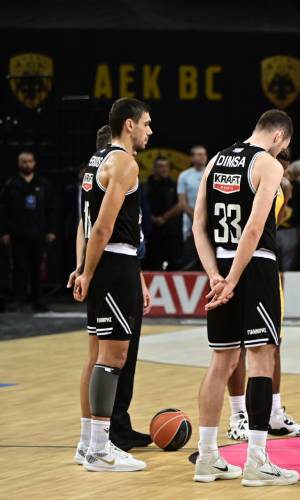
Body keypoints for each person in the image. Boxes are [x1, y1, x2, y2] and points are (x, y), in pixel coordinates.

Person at [191, 110, 300, 486]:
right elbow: (254, 228)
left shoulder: (215, 162)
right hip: (254, 268)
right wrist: (234, 279)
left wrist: (215, 276)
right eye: (284, 145)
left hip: (220, 265)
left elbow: (198, 225)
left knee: (220, 361)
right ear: (279, 137)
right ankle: (257, 460)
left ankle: (207, 456)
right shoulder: (268, 165)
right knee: (260, 359)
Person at [70, 97, 152, 472]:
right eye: (146, 123)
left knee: (95, 356)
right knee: (113, 358)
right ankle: (102, 449)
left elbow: (85, 225)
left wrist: (83, 268)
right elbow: (102, 227)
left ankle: (87, 443)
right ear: (129, 125)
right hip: (115, 263)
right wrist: (87, 272)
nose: (150, 131)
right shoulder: (124, 162)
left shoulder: (95, 160)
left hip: (103, 263)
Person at [224, 147, 300, 442]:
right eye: (279, 164)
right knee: (235, 346)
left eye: (284, 165)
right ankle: (238, 416)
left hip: (265, 267)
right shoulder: (247, 179)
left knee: (273, 343)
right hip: (238, 262)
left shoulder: (282, 186)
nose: (281, 170)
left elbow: (274, 221)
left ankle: (274, 413)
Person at [0, 151, 57, 311]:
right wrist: (3, 232)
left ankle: (37, 299)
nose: (27, 164)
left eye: (30, 161)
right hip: (17, 233)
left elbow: (51, 209)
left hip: (38, 233)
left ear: (35, 163)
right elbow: (3, 210)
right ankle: (18, 298)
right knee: (18, 267)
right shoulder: (11, 185)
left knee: (36, 267)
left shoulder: (43, 184)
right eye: (24, 162)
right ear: (19, 164)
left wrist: (51, 230)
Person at [144, 156, 183, 270]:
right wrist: (150, 217)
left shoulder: (174, 186)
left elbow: (180, 204)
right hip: (150, 233)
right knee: (150, 265)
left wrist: (164, 218)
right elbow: (141, 205)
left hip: (169, 233)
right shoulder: (145, 186)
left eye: (166, 166)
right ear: (154, 168)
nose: (164, 169)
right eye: (161, 166)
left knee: (172, 266)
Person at [177, 145, 208, 270]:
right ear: (192, 158)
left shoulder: (211, 172)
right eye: (199, 154)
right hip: (190, 222)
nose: (203, 157)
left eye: (204, 154)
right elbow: (182, 203)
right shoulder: (184, 176)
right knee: (190, 257)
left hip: (209, 221)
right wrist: (197, 217)